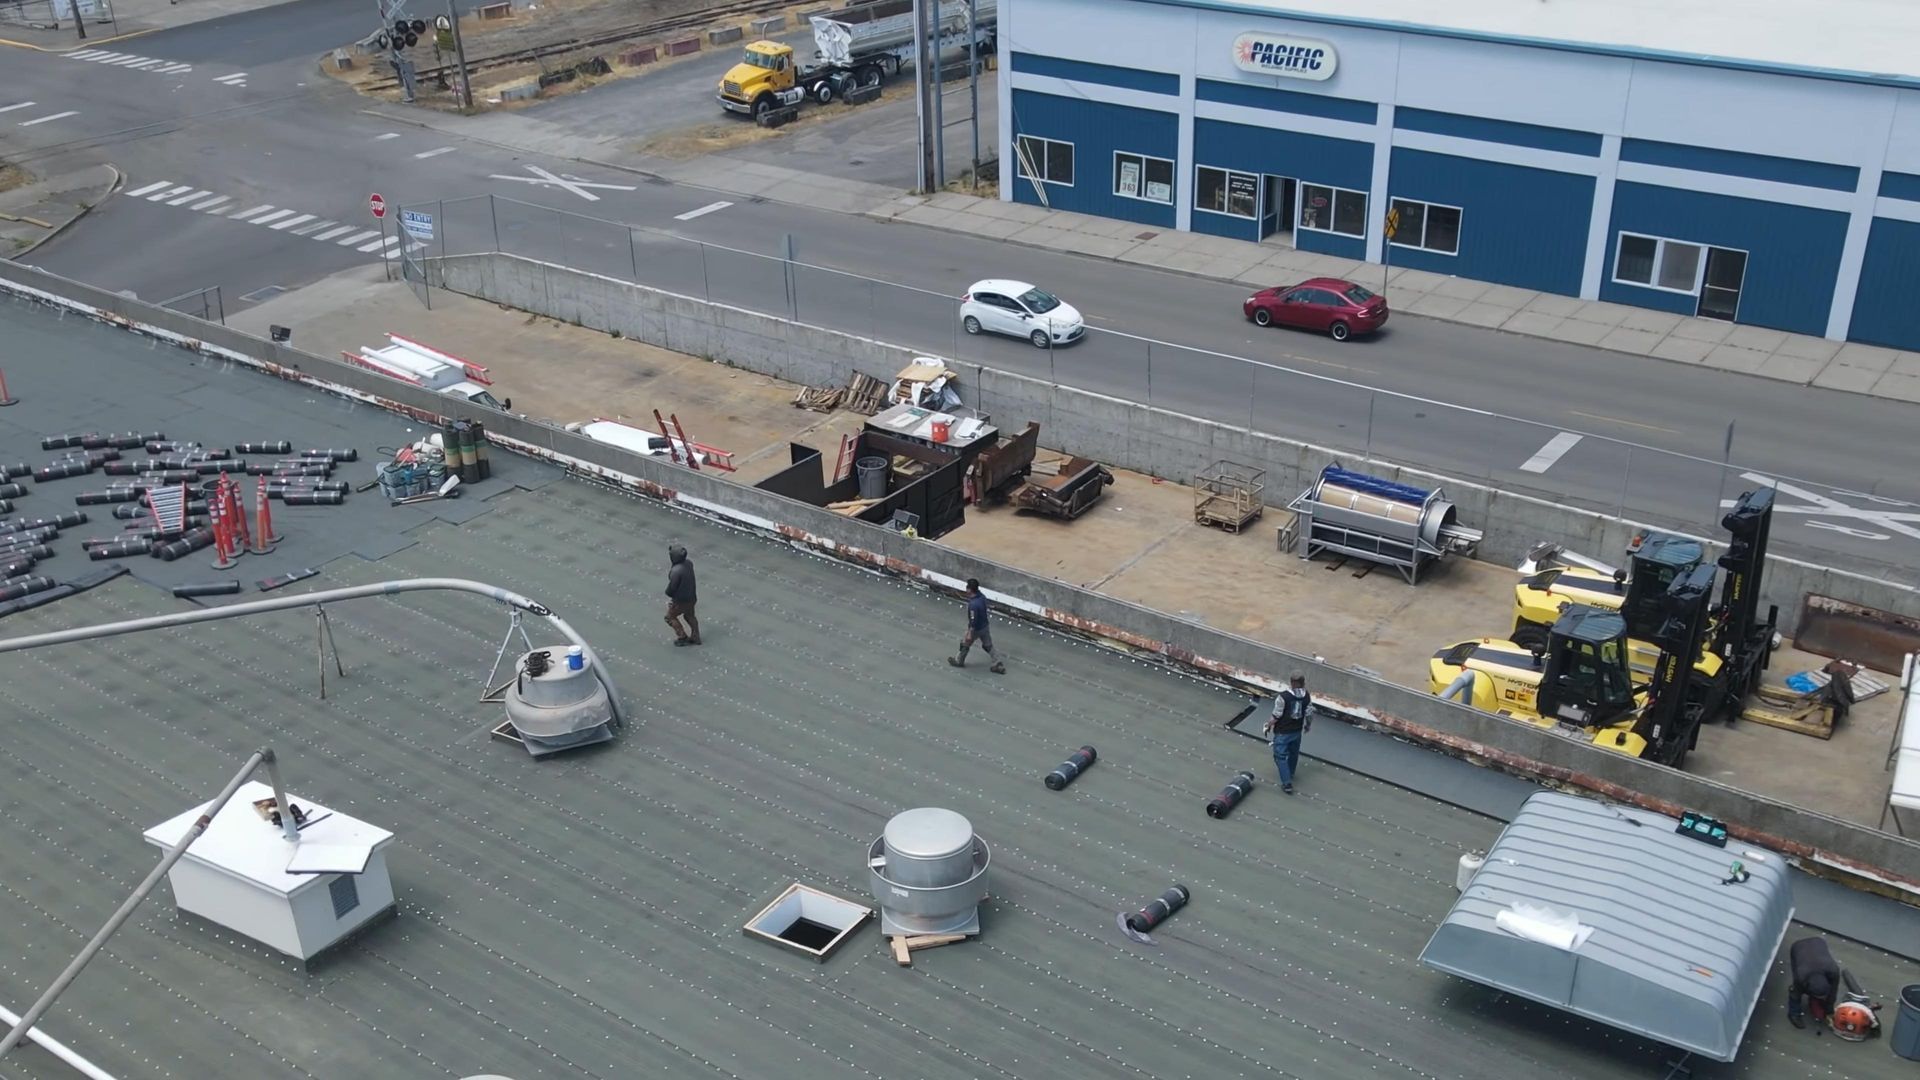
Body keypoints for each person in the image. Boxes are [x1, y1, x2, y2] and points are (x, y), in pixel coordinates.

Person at [1263, 674, 1311, 794]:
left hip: (1283, 732)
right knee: (1293, 753)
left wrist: (1268, 725)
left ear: (1291, 682)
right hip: (1297, 731)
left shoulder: (1283, 697)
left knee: (1280, 756)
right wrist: (1307, 725)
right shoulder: (1307, 696)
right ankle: (1291, 773)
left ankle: (1287, 783)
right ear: (1303, 682)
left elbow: (1276, 715)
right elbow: (1309, 713)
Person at [947, 578, 1005, 674]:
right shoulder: (982, 597)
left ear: (969, 590)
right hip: (985, 626)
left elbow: (973, 620)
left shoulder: (973, 604)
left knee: (965, 643)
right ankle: (997, 662)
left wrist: (970, 633)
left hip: (976, 629)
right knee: (988, 645)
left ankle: (959, 661)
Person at [1787, 936, 1839, 1030]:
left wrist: (1829, 1010)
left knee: (1825, 997)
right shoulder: (1801, 976)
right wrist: (1794, 1014)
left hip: (1818, 943)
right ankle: (1793, 1015)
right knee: (1795, 991)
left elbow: (1833, 992)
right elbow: (1795, 995)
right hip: (1798, 948)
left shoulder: (1834, 971)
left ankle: (1814, 1000)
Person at [664, 543, 700, 646]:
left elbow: (672, 588)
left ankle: (682, 636)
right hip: (692, 597)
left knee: (669, 617)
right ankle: (695, 636)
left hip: (680, 601)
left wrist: (669, 595)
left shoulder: (676, 571)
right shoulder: (689, 563)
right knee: (689, 615)